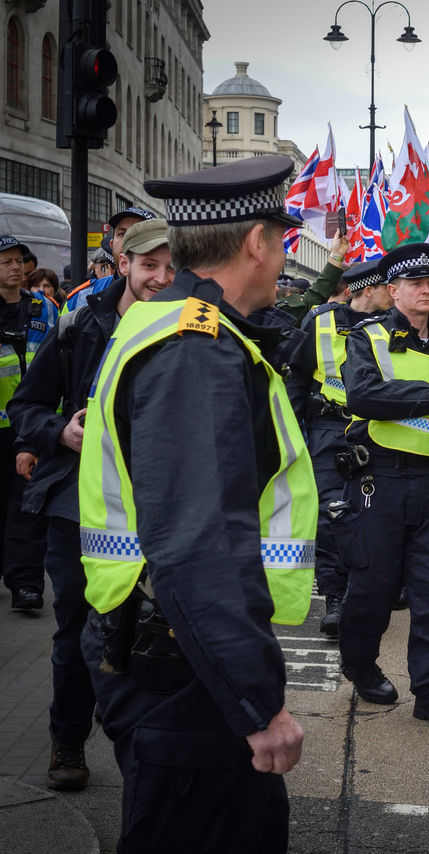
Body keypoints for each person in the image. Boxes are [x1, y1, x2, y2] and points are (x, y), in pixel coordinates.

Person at [78, 155, 314, 852]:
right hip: (181, 668)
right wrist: (257, 704)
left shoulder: (182, 325)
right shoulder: (194, 347)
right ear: (254, 243)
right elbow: (198, 544)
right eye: (281, 240)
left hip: (176, 651)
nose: (283, 259)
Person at [9, 218, 174, 792]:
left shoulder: (195, 327)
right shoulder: (81, 322)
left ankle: (139, 738)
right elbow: (26, 407)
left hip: (159, 507)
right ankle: (68, 741)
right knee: (79, 629)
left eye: (171, 267)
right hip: (81, 507)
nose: (159, 277)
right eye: (148, 265)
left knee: (153, 626)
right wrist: (60, 433)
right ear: (123, 263)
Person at [338, 242, 429, 730]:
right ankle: (360, 666)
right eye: (415, 284)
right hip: (379, 481)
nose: (426, 290)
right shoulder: (369, 337)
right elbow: (362, 394)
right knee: (372, 588)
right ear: (393, 290)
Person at [286, 260, 393, 637]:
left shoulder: (394, 325)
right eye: (386, 287)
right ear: (367, 290)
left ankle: (363, 593)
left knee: (371, 516)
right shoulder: (321, 320)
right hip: (328, 430)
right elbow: (297, 379)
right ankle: (336, 598)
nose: (392, 292)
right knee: (331, 517)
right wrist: (294, 433)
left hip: (377, 432)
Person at [0, 234, 56, 610]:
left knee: (27, 507)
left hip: (29, 424)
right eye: (7, 262)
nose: (16, 267)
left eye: (20, 260)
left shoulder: (43, 308)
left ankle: (26, 584)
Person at [61, 206, 157, 312]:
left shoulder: (172, 298)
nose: (128, 241)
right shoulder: (80, 298)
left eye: (139, 234)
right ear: (112, 245)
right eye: (122, 234)